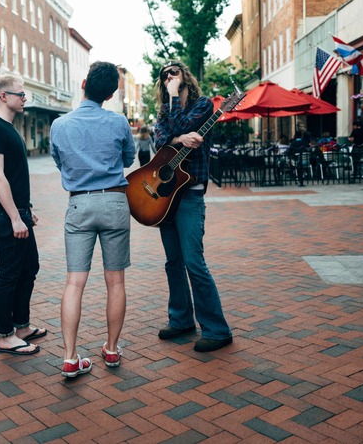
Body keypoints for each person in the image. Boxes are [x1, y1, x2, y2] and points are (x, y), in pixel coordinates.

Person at [50, 61, 136, 378]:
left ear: (84, 83)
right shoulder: (118, 122)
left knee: (75, 282)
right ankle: (111, 350)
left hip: (79, 205)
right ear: (111, 94)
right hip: (115, 202)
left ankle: (71, 357)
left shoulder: (60, 125)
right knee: (115, 282)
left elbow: (59, 161)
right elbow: (127, 158)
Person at [152, 60, 233, 352]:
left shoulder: (203, 106)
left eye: (174, 72)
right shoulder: (163, 111)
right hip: (165, 197)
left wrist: (175, 103)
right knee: (173, 262)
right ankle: (181, 320)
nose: (169, 77)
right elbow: (160, 140)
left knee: (194, 262)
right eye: (164, 76)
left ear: (185, 75)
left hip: (189, 195)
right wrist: (177, 138)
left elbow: (186, 124)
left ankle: (216, 329)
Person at [0, 74, 46, 356]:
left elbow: (13, 177)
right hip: (8, 217)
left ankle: (21, 326)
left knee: (29, 267)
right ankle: (5, 336)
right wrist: (14, 218)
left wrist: (25, 212)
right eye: (20, 93)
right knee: (8, 275)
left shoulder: (9, 129)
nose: (24, 97)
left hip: (19, 213)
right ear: (3, 96)